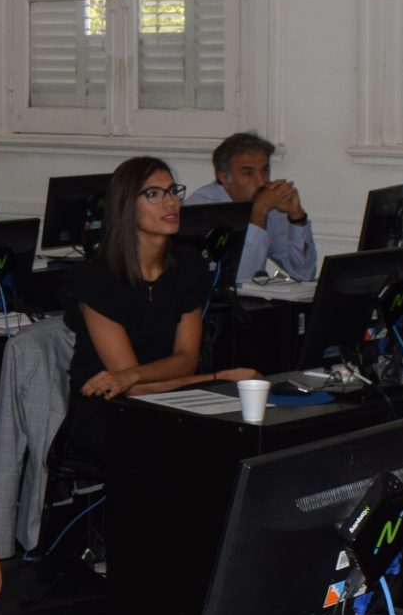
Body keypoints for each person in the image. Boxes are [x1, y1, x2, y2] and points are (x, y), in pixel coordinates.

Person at [63, 158, 257, 464]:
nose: (170, 202)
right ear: (126, 206)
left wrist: (132, 376)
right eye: (153, 194)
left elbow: (185, 360)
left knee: (244, 439)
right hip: (110, 414)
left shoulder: (188, 266)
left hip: (172, 401)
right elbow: (135, 392)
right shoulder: (95, 279)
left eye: (172, 191)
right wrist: (222, 377)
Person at [182, 133, 318, 281]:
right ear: (224, 178)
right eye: (248, 173)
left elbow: (304, 274)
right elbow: (241, 280)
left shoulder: (269, 205)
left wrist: (297, 217)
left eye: (265, 170)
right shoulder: (201, 209)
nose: (261, 182)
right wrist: (259, 213)